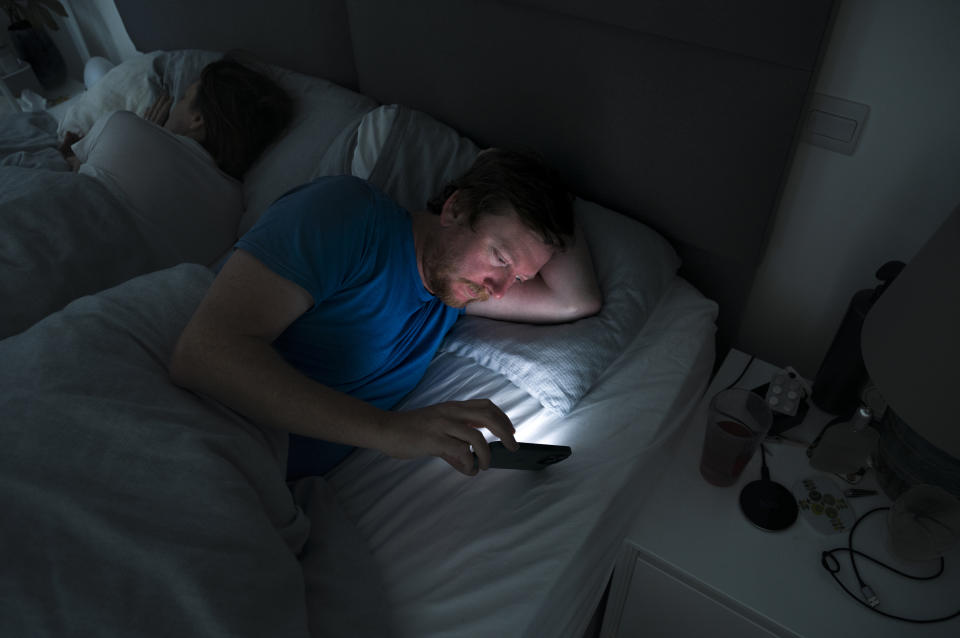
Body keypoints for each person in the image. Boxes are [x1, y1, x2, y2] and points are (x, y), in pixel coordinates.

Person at [168, 149, 602, 477]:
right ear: (456, 209)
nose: (500, 290)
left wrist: (553, 198)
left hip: (262, 478)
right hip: (192, 439)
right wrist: (389, 430)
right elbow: (205, 353)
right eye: (502, 259)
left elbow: (576, 300)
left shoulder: (455, 295)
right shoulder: (348, 216)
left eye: (520, 280)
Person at [59, 58, 292, 179]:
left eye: (183, 98)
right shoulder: (233, 200)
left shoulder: (123, 127)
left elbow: (76, 166)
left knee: (96, 66)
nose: (174, 105)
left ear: (197, 118)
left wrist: (142, 133)